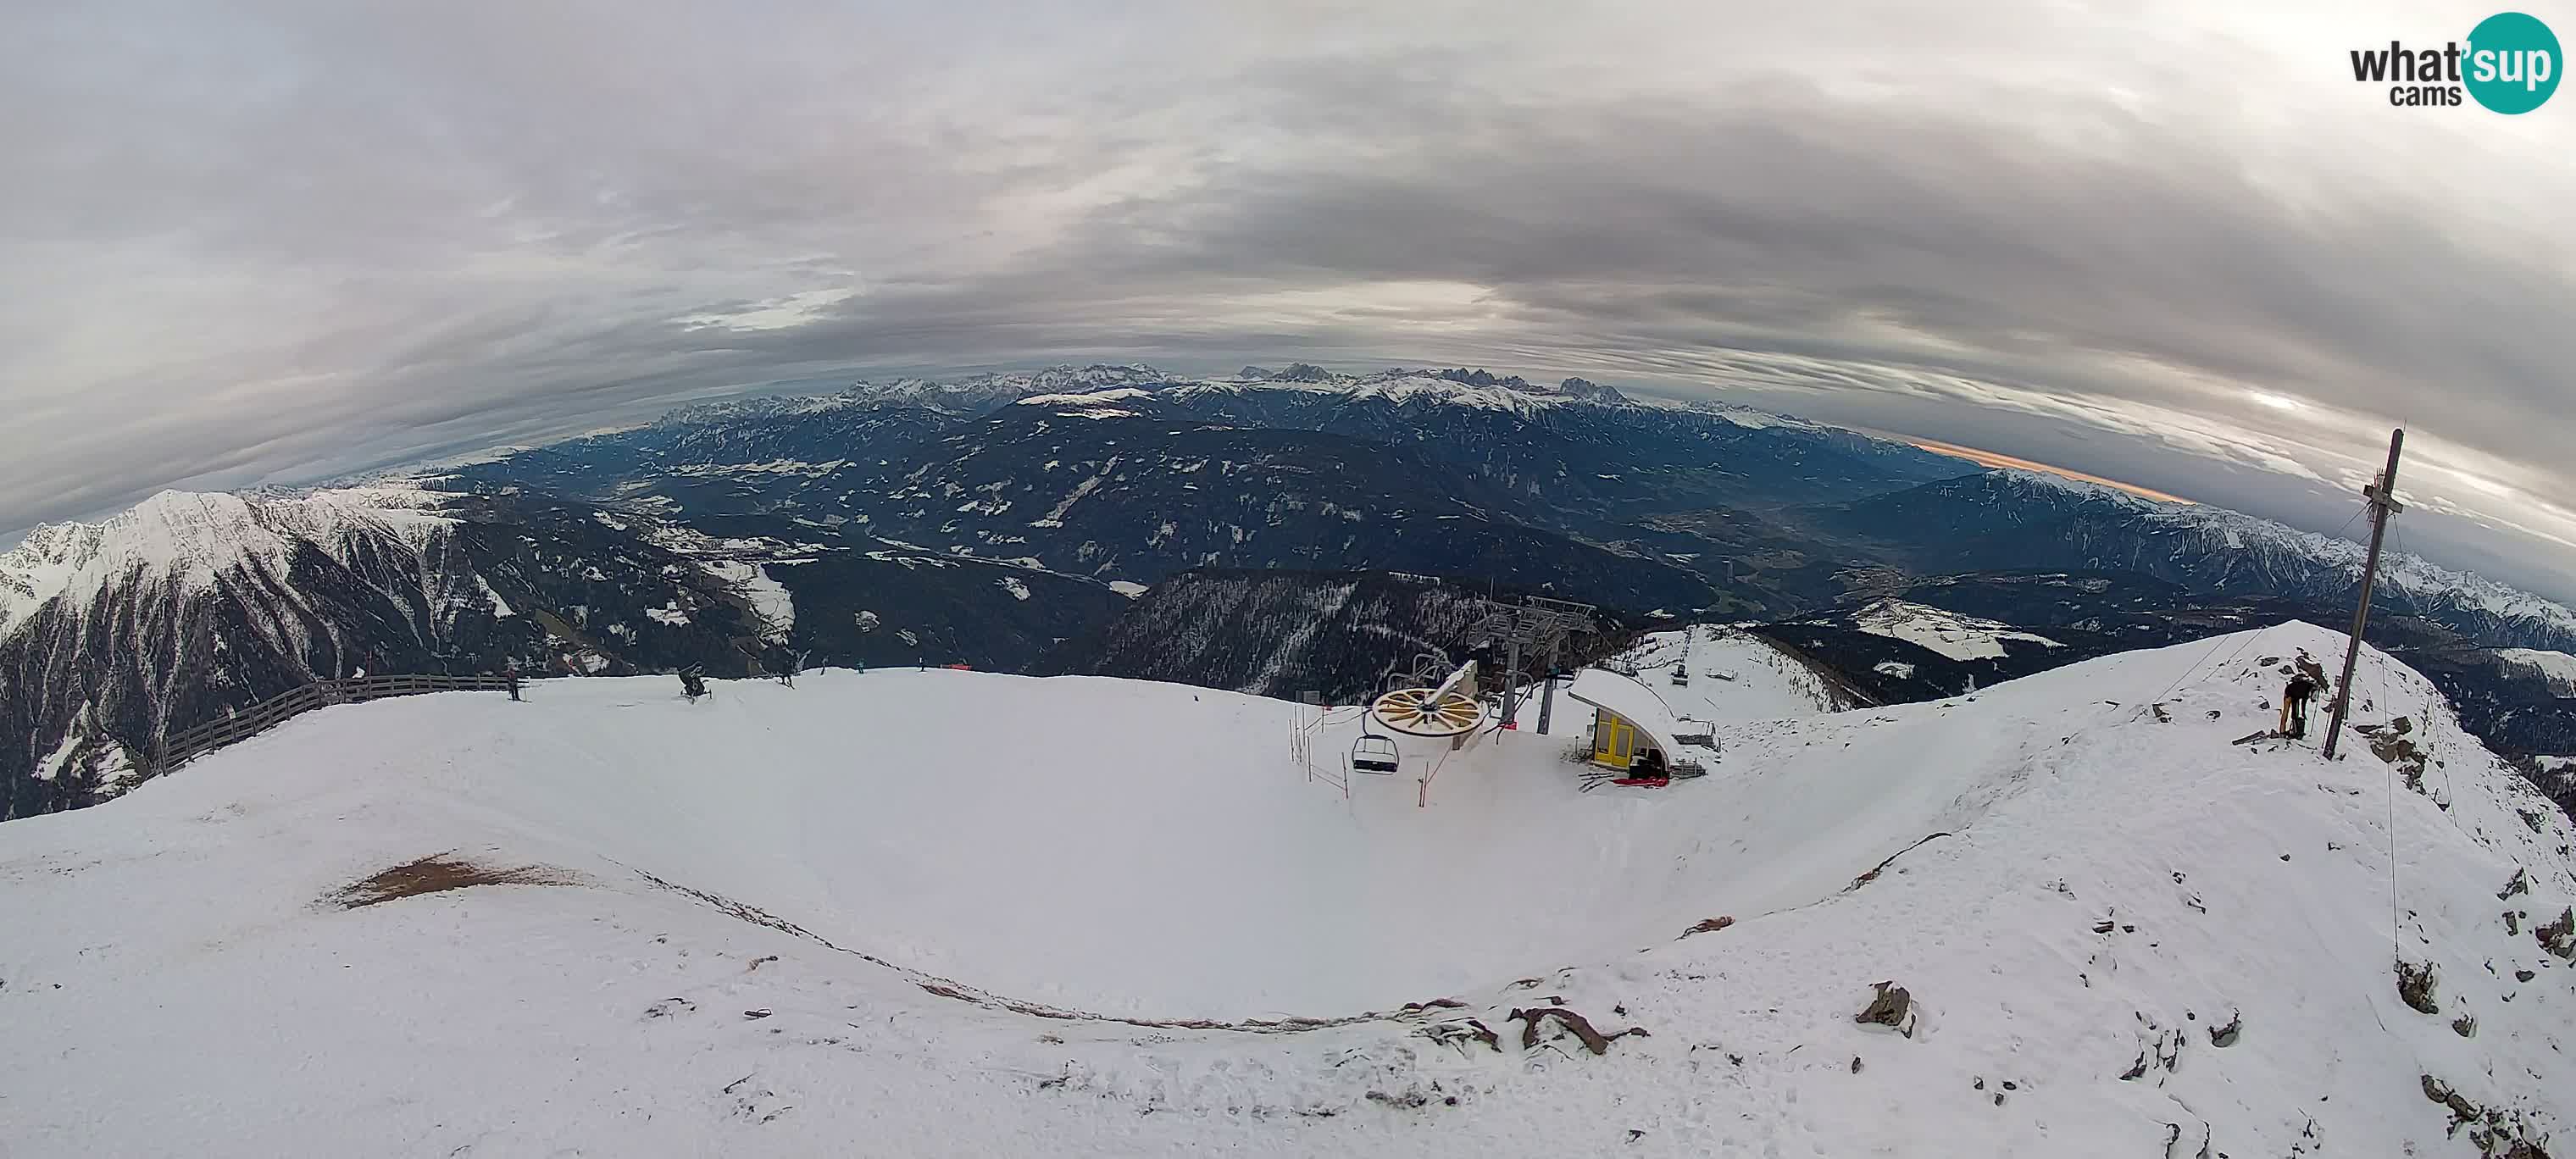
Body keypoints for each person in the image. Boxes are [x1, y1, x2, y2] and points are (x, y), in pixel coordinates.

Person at [2281, 674, 2319, 739]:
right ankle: (2282, 731)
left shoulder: (2308, 689)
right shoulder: (2303, 690)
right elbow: (2295, 700)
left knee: (2295, 713)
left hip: (2296, 693)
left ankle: (2296, 730)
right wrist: (2294, 714)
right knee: (2286, 712)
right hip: (2289, 692)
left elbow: (2303, 702)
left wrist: (2303, 713)